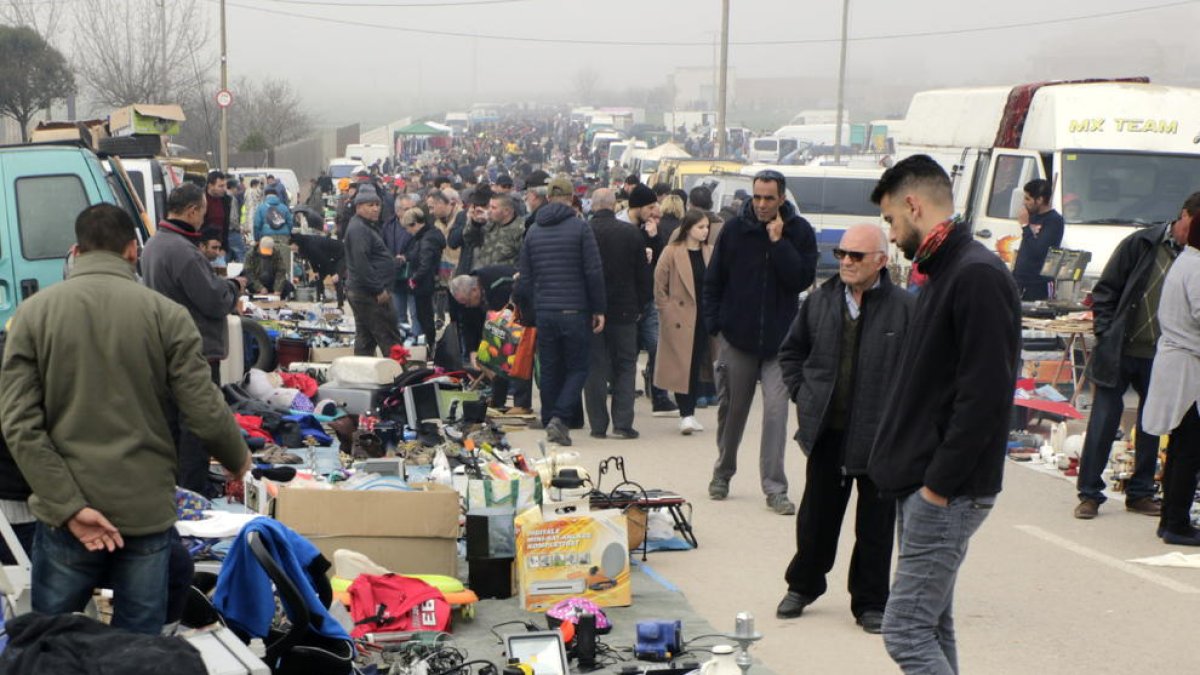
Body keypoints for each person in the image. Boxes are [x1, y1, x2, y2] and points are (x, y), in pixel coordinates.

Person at [0, 204, 250, 635]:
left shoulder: (31, 316)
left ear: (75, 251)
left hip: (67, 515)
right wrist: (237, 457)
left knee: (49, 643)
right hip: (143, 512)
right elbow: (204, 410)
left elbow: (20, 425)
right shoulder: (167, 316)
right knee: (139, 647)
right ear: (133, 250)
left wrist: (70, 507)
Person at [868, 155, 1021, 673]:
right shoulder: (943, 269)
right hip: (924, 482)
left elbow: (985, 397)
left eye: (891, 220)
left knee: (905, 631)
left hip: (946, 490)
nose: (890, 235)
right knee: (932, 625)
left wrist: (938, 486)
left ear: (914, 205)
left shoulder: (976, 274)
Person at [774, 223, 914, 634]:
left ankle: (870, 602)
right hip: (827, 432)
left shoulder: (905, 308)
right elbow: (791, 352)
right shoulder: (819, 302)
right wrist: (805, 393)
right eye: (842, 254)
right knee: (816, 517)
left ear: (881, 261)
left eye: (856, 256)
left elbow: (921, 371)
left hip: (880, 436)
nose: (847, 262)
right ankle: (802, 586)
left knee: (875, 523)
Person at [702, 169, 818, 515]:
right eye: (758, 197)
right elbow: (714, 281)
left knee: (777, 414)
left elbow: (800, 279)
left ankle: (775, 488)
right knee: (732, 411)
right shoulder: (734, 230)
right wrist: (715, 327)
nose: (763, 204)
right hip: (737, 338)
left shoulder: (799, 232)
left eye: (770, 198)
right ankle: (723, 472)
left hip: (781, 345)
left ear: (782, 198)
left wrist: (779, 242)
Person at [1074, 195, 1196, 519]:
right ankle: (1089, 494)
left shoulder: (1193, 258)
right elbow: (1105, 290)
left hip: (1160, 354)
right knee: (1103, 421)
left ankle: (1140, 492)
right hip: (1120, 348)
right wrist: (1105, 331)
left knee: (1152, 426)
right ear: (1183, 215)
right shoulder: (1141, 243)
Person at [142, 184, 245, 495]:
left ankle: (176, 489)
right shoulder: (184, 252)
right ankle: (192, 493)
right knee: (197, 426)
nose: (204, 218)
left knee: (173, 425)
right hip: (193, 350)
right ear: (191, 211)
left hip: (165, 347)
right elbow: (213, 300)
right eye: (202, 211)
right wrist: (234, 286)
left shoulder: (154, 245)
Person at [514, 175, 606, 447]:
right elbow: (593, 271)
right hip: (574, 309)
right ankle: (560, 418)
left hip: (545, 311)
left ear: (548, 198)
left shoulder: (534, 230)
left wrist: (532, 308)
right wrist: (599, 307)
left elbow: (525, 277)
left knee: (551, 369)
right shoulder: (580, 228)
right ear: (571, 199)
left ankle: (550, 417)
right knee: (578, 367)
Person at [1144, 216, 1200, 546]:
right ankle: (1176, 522)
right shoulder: (1195, 266)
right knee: (1189, 448)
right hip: (1186, 365)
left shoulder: (1187, 260)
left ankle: (1171, 518)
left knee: (1182, 446)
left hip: (1182, 361)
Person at [584, 188, 650, 440]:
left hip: (591, 310)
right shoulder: (631, 233)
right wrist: (640, 305)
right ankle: (622, 423)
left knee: (595, 367)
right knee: (625, 365)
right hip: (625, 309)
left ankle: (598, 425)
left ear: (594, 205)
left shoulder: (585, 231)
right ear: (614, 206)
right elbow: (643, 275)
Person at [653, 209, 715, 435]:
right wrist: (666, 310)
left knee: (697, 363)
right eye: (700, 227)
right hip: (679, 318)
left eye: (707, 227)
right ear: (688, 228)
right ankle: (686, 414)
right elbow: (659, 284)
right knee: (683, 366)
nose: (705, 231)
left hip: (703, 317)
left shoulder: (710, 252)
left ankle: (690, 414)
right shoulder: (672, 252)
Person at [621, 183, 677, 416]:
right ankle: (622, 394)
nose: (656, 211)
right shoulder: (621, 226)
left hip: (648, 297)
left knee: (657, 346)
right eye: (651, 206)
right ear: (639, 207)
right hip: (626, 300)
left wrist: (653, 238)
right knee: (628, 351)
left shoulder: (650, 227)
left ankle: (660, 395)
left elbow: (659, 261)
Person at [344, 186, 403, 356]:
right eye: (370, 205)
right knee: (388, 336)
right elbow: (361, 263)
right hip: (370, 293)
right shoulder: (358, 229)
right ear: (358, 207)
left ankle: (363, 375)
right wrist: (378, 289)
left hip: (364, 291)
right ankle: (398, 376)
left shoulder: (366, 226)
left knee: (366, 339)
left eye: (377, 204)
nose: (376, 208)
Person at [401, 206, 446, 351]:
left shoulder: (426, 239)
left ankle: (430, 345)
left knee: (424, 317)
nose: (408, 232)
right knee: (424, 316)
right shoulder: (427, 236)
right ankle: (429, 344)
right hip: (426, 282)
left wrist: (414, 279)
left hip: (423, 284)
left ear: (415, 224)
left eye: (408, 228)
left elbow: (425, 263)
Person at [1012, 178, 1065, 301]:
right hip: (1020, 280)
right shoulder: (1032, 216)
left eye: (1028, 199)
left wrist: (1025, 226)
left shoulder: (1054, 220)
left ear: (1040, 200)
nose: (1024, 203)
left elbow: (1038, 250)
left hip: (1038, 283)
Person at [289, 233, 346, 308]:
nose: (294, 251)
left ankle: (340, 305)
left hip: (340, 254)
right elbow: (312, 258)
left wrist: (333, 273)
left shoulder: (311, 245)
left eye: (293, 249)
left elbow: (323, 259)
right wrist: (315, 271)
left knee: (336, 279)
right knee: (318, 279)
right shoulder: (304, 246)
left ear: (297, 244)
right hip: (327, 257)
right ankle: (320, 302)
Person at [203, 171, 240, 261]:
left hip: (219, 249)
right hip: (203, 248)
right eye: (220, 186)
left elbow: (225, 225)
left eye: (224, 185)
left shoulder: (226, 200)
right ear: (210, 186)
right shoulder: (200, 199)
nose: (224, 189)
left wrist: (224, 247)